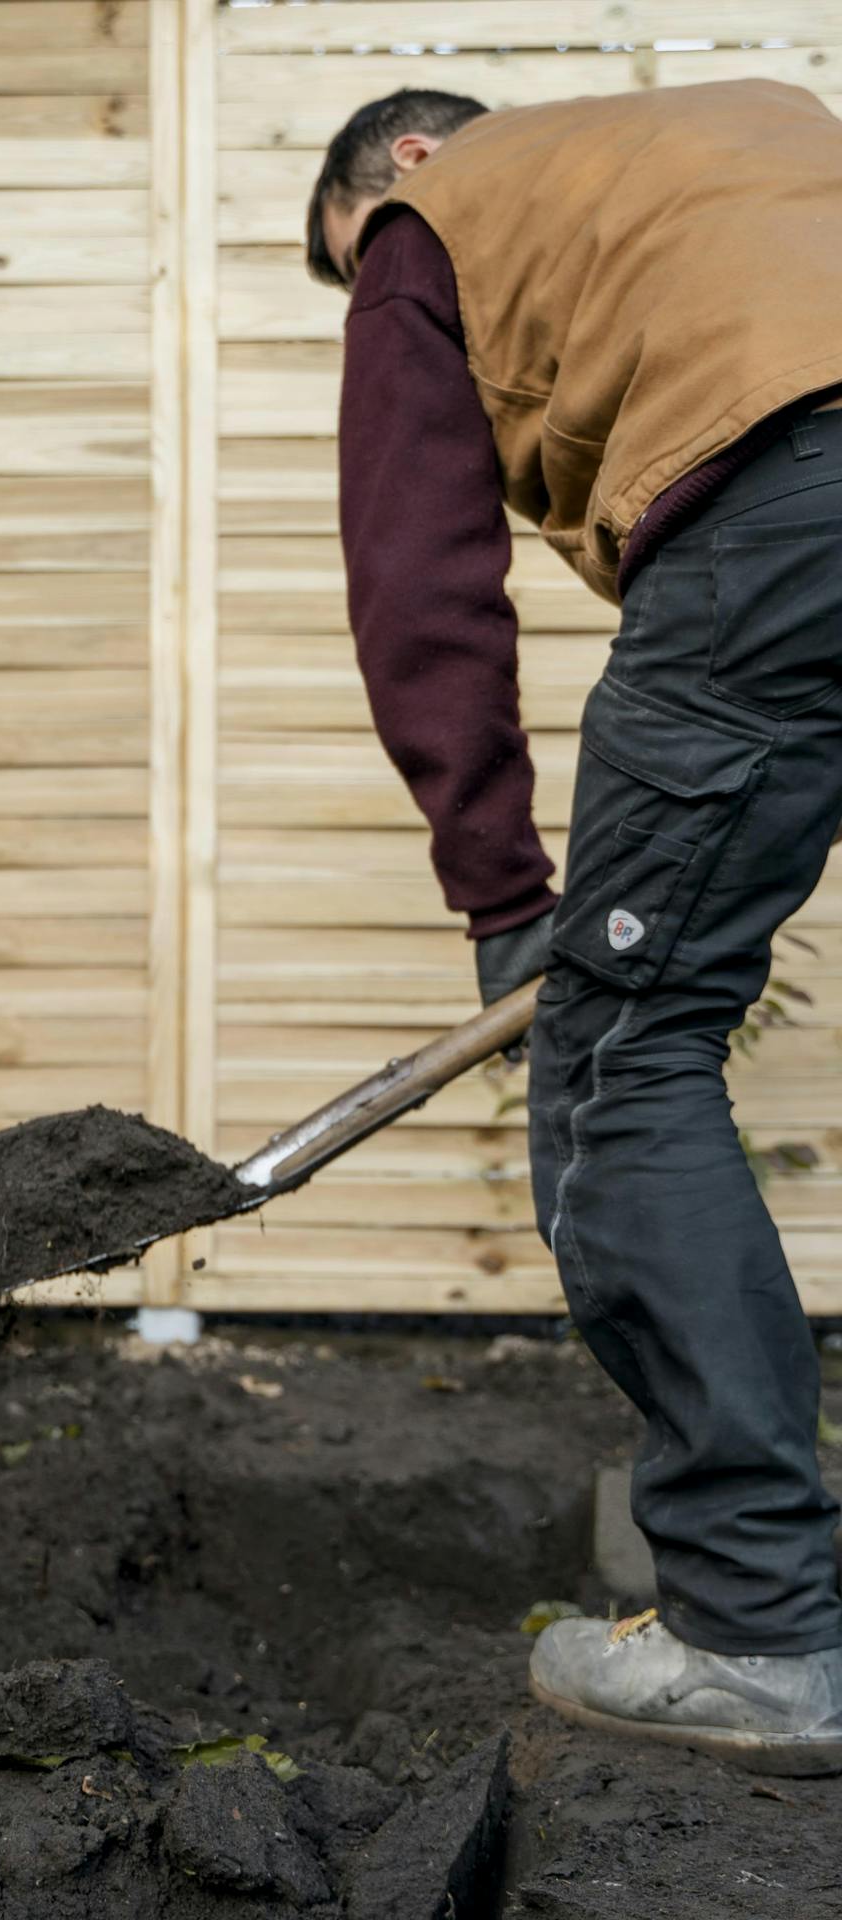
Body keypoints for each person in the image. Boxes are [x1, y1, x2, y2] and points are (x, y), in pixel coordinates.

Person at [308, 79, 842, 1772]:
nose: (370, 293)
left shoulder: (430, 218)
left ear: (401, 161)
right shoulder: (751, 129)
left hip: (787, 502)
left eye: (350, 262)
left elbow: (421, 577)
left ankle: (756, 1626)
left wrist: (508, 901)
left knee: (623, 1057)